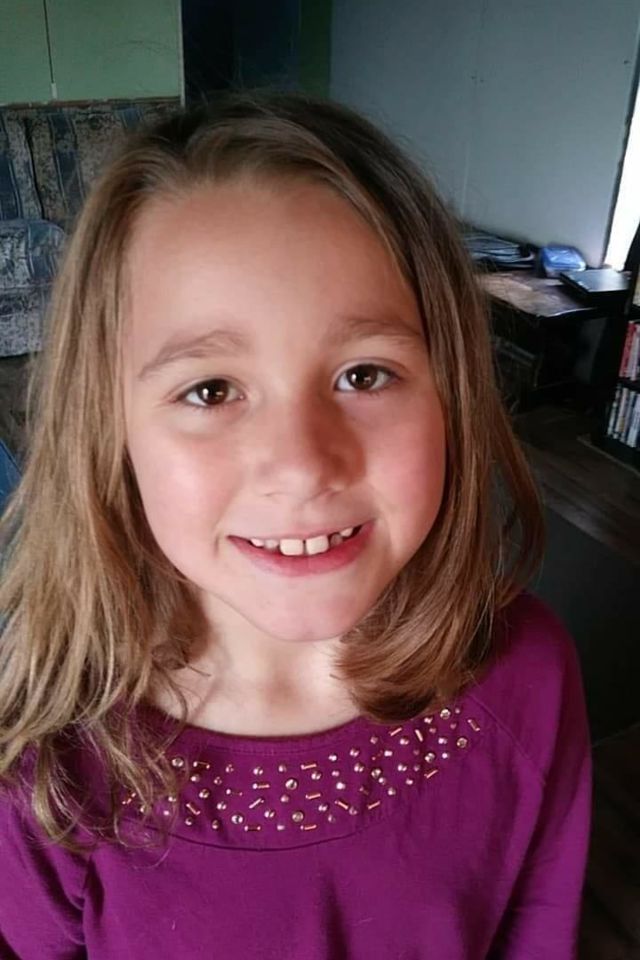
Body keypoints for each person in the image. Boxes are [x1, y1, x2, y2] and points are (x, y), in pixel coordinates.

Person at [0, 92, 591, 959]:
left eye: (364, 374)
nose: (304, 465)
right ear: (109, 432)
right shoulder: (48, 755)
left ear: (452, 396)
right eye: (210, 390)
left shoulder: (528, 679)